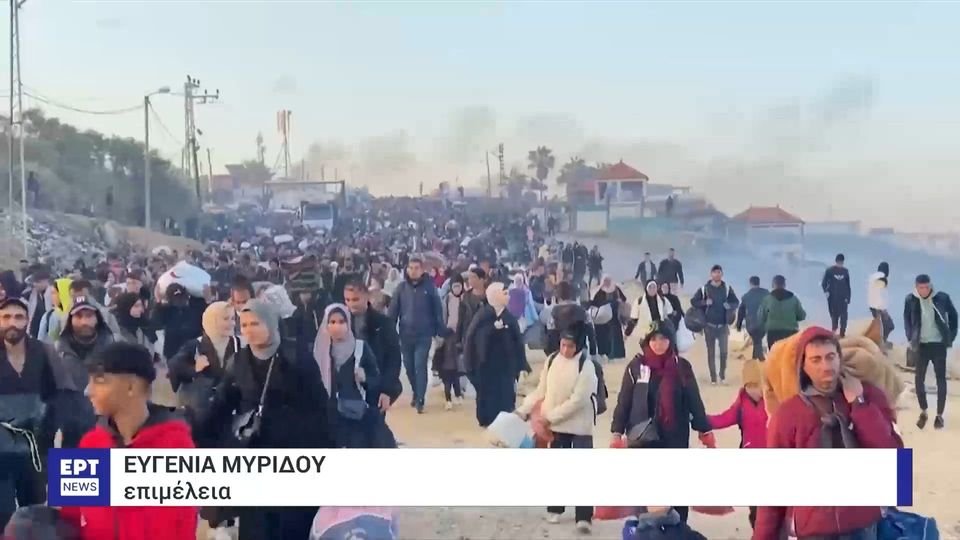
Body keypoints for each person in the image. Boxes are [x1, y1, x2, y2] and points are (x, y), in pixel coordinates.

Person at [753, 327, 902, 540]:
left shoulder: (868, 396)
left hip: (861, 526)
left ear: (839, 358)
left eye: (831, 357)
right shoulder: (789, 414)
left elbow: (896, 461)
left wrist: (859, 405)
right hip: (813, 530)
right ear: (803, 366)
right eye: (816, 360)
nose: (826, 366)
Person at [201, 300, 332, 540]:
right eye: (244, 325)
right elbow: (222, 404)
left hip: (294, 453)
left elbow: (319, 406)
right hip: (255, 452)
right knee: (257, 525)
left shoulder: (296, 356)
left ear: (271, 324)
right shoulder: (239, 361)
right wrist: (198, 433)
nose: (249, 330)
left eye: (255, 324)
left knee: (292, 524)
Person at [60, 342, 197, 540]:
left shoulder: (176, 447)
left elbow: (184, 528)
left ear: (131, 387)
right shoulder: (90, 444)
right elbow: (70, 519)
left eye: (100, 381)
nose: (88, 390)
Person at [610, 321, 713, 524]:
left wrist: (704, 429)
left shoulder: (681, 367)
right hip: (642, 437)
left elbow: (694, 399)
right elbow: (625, 401)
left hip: (674, 436)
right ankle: (645, 528)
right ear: (647, 341)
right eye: (654, 339)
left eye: (664, 339)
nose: (659, 344)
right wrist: (616, 431)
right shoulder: (636, 367)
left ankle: (677, 527)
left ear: (671, 341)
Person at [0, 297, 78, 529]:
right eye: (6, 317)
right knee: (3, 513)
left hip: (34, 448)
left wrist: (53, 426)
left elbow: (62, 392)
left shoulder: (44, 352)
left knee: (34, 513)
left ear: (27, 321)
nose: (12, 323)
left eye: (19, 317)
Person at [515, 328, 597, 535]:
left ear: (578, 346)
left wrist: (550, 417)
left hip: (579, 427)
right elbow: (541, 390)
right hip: (556, 427)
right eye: (563, 345)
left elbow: (578, 400)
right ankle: (555, 508)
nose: (566, 350)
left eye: (570, 346)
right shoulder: (552, 360)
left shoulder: (586, 366)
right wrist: (523, 410)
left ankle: (584, 516)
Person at [314, 304, 395, 449]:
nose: (337, 326)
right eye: (332, 322)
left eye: (341, 322)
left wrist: (365, 378)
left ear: (348, 323)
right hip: (328, 419)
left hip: (355, 417)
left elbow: (376, 381)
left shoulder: (360, 348)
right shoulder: (319, 352)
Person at [707, 359, 767, 530]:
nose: (755, 390)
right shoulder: (741, 404)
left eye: (758, 385)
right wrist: (700, 419)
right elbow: (723, 419)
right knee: (756, 509)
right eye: (750, 386)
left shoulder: (773, 401)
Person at [167, 302, 240, 443]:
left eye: (233, 318)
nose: (231, 323)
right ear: (211, 321)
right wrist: (194, 369)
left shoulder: (239, 344)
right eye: (225, 319)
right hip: (201, 411)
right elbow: (174, 366)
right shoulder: (195, 345)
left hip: (229, 410)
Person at [463, 283, 526, 427]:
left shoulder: (510, 318)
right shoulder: (482, 316)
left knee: (506, 395)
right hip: (485, 366)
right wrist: (469, 363)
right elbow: (471, 339)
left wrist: (520, 364)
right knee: (486, 396)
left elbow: (518, 342)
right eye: (504, 293)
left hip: (505, 366)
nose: (508, 296)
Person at [55, 297, 115, 448]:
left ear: (97, 318)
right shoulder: (58, 351)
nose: (84, 322)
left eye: (89, 316)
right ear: (70, 320)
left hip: (104, 423)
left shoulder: (112, 348)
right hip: (71, 425)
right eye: (78, 316)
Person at [387, 256, 443, 414]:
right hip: (405, 334)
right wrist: (389, 330)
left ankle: (420, 399)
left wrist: (439, 331)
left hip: (424, 335)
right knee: (409, 367)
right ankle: (415, 391)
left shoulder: (430, 288)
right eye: (410, 268)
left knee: (420, 365)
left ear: (422, 270)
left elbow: (437, 311)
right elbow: (393, 311)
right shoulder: (401, 288)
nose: (413, 271)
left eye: (416, 268)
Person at [904, 274, 958, 430]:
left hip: (938, 344)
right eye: (921, 287)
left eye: (926, 287)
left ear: (930, 286)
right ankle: (924, 411)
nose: (924, 290)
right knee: (918, 379)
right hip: (921, 345)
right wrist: (910, 337)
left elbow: (954, 316)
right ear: (916, 287)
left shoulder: (942, 298)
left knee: (941, 379)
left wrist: (951, 336)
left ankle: (939, 415)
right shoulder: (910, 299)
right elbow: (906, 319)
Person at [344, 281, 402, 414]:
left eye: (355, 299)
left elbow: (393, 359)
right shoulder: (340, 322)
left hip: (375, 389)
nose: (351, 304)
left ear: (367, 297)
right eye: (347, 300)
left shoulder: (383, 323)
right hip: (347, 391)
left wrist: (386, 391)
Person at [690, 265, 739, 385]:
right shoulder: (704, 289)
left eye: (719, 272)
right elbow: (693, 301)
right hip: (709, 326)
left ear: (722, 274)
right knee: (711, 353)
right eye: (715, 272)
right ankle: (713, 378)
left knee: (724, 353)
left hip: (723, 326)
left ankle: (722, 376)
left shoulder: (727, 288)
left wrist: (730, 306)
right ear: (711, 274)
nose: (717, 274)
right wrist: (704, 302)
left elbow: (736, 302)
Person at [434, 274, 468, 410]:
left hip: (461, 336)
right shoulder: (447, 299)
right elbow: (443, 317)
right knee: (449, 366)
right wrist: (442, 333)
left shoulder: (465, 300)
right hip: (449, 336)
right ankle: (450, 395)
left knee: (460, 365)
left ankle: (459, 391)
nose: (457, 289)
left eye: (459, 286)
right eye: (455, 286)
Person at [151, 283, 207, 362]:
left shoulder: (198, 307)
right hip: (173, 353)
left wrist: (208, 300)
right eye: (176, 299)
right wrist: (158, 303)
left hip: (194, 352)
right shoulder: (166, 310)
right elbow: (155, 323)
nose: (180, 301)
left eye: (181, 297)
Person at [545, 281, 597, 358]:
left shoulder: (553, 312)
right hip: (580, 350)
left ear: (558, 297)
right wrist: (593, 352)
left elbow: (550, 334)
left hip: (560, 351)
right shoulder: (582, 311)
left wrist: (551, 354)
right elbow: (591, 332)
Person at [757, 275, 806, 350]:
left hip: (773, 332)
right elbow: (802, 316)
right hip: (791, 332)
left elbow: (761, 317)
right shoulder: (793, 299)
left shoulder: (767, 299)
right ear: (784, 285)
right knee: (790, 354)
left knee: (774, 354)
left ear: (773, 285)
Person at [591, 275, 627, 361]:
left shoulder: (616, 289)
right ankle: (603, 353)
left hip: (614, 317)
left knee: (614, 336)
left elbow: (624, 299)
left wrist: (618, 302)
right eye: (605, 281)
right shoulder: (599, 290)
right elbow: (594, 302)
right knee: (603, 336)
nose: (606, 283)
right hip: (603, 318)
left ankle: (615, 355)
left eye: (608, 280)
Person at [736, 276, 768, 361]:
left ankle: (760, 359)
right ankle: (757, 359)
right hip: (763, 325)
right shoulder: (766, 293)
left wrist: (738, 325)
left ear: (750, 283)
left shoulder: (746, 296)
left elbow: (741, 312)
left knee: (757, 341)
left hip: (751, 325)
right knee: (757, 341)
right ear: (759, 283)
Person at [821, 253, 851, 337]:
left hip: (843, 297)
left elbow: (848, 285)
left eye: (841, 262)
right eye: (839, 262)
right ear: (836, 261)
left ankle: (842, 334)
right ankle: (834, 333)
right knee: (834, 316)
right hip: (833, 297)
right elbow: (824, 283)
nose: (840, 264)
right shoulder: (830, 271)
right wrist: (826, 292)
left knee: (844, 316)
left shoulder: (845, 271)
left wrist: (848, 297)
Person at [868, 262, 893, 347]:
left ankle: (882, 342)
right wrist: (883, 310)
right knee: (888, 325)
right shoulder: (881, 278)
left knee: (882, 326)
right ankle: (881, 343)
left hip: (873, 305)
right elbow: (879, 294)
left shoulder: (873, 277)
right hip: (878, 307)